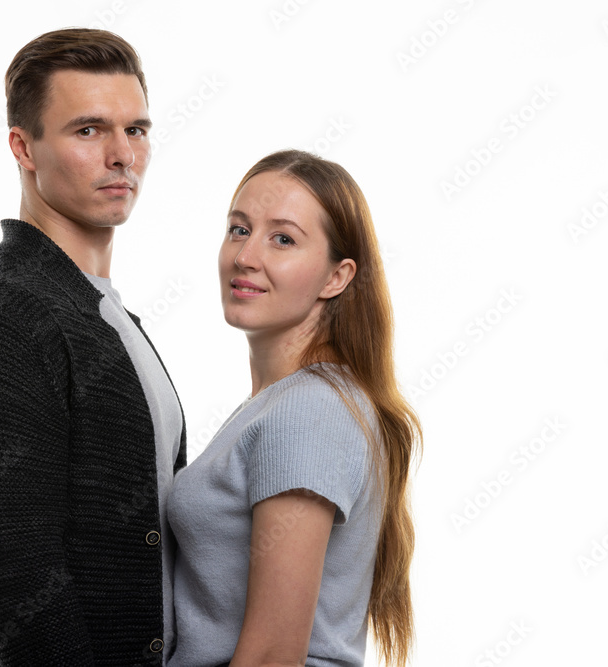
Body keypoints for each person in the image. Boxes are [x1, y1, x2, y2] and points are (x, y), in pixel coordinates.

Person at [0, 28, 186, 666]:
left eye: (137, 129)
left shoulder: (101, 310)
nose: (122, 154)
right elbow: (21, 593)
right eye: (89, 130)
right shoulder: (4, 317)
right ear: (24, 147)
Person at [167, 150, 421, 667]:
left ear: (337, 277)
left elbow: (271, 658)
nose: (246, 256)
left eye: (282, 239)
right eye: (239, 229)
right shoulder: (287, 403)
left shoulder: (307, 413)